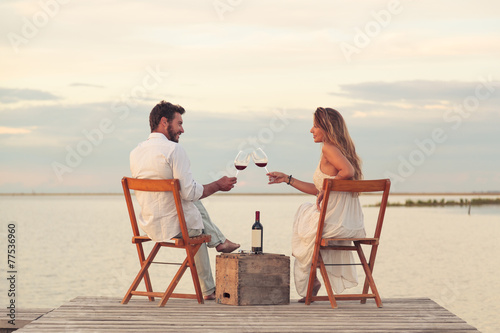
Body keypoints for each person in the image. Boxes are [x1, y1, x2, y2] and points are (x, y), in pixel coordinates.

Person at [129, 101, 240, 300]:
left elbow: (185, 194)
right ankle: (211, 275)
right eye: (179, 123)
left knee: (189, 202)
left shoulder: (135, 152)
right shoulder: (174, 150)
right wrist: (217, 185)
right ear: (164, 122)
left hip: (149, 225)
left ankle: (220, 241)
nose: (182, 129)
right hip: (177, 227)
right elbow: (190, 193)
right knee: (194, 216)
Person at [267, 107, 365, 302]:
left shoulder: (329, 148)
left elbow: (348, 171)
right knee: (306, 215)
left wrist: (327, 188)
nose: (311, 131)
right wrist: (287, 179)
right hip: (351, 225)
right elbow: (318, 189)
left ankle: (312, 281)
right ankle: (313, 276)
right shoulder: (342, 151)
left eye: (314, 126)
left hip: (334, 222)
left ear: (326, 127)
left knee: (304, 214)